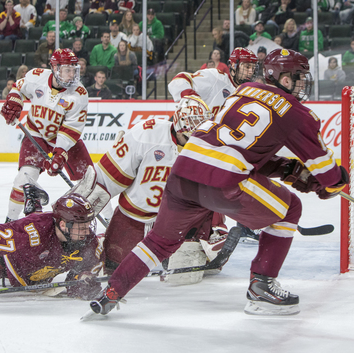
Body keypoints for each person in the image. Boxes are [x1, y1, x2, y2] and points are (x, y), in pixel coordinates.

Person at [90, 49, 349, 317]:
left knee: (160, 242)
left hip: (183, 173)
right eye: (299, 78)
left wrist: (287, 170)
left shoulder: (242, 91)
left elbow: (243, 150)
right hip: (225, 182)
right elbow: (327, 173)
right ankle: (262, 287)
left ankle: (112, 292)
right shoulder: (297, 113)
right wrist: (331, 182)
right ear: (283, 78)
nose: (302, 84)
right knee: (291, 207)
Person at [96, 97, 228, 280]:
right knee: (113, 268)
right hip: (135, 216)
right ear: (179, 124)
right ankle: (103, 241)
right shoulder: (146, 134)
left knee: (188, 275)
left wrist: (215, 227)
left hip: (176, 221)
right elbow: (107, 176)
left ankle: (208, 237)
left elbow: (215, 191)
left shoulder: (207, 147)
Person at [0, 191, 104, 305]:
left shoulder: (86, 239)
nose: (87, 231)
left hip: (30, 266)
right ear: (63, 224)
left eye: (88, 224)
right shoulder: (29, 232)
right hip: (0, 262)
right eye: (81, 226)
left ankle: (34, 203)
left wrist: (83, 278)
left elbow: (82, 270)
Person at [0, 48, 93, 223]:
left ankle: (109, 221)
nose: (72, 74)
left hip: (66, 141)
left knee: (89, 181)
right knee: (23, 178)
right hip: (36, 136)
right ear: (55, 68)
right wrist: (14, 99)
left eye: (74, 69)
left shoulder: (79, 94)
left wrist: (60, 152)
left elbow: (71, 128)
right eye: (67, 69)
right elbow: (18, 87)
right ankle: (9, 221)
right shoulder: (36, 76)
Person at [169, 47, 257, 116]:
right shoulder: (215, 77)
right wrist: (192, 99)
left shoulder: (250, 94)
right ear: (234, 65)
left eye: (253, 68)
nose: (250, 71)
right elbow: (180, 79)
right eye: (247, 67)